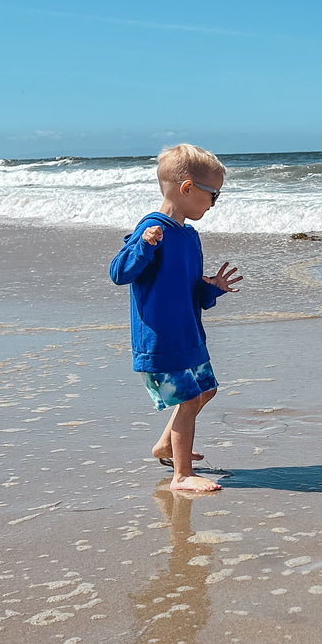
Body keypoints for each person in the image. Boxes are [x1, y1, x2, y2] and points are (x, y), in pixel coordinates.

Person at [110, 143, 242, 493]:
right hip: (163, 340)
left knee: (205, 390)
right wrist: (144, 246)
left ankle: (167, 446)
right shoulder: (153, 229)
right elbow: (119, 272)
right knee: (187, 400)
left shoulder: (189, 236)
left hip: (188, 335)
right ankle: (181, 476)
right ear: (187, 189)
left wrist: (213, 287)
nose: (214, 204)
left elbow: (191, 290)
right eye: (214, 196)